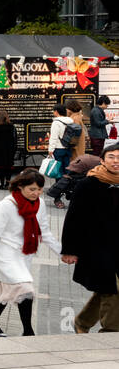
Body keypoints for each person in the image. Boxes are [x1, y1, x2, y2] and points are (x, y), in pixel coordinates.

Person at [0, 169, 64, 337]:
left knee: (9, 289)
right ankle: (28, 332)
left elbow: (44, 232)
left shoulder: (39, 204)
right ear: (20, 186)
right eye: (32, 189)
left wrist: (63, 253)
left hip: (25, 254)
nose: (37, 193)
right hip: (5, 255)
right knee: (25, 289)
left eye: (40, 189)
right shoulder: (5, 205)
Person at [61, 141, 119, 333]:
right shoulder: (87, 184)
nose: (116, 161)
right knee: (111, 289)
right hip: (96, 247)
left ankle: (82, 322)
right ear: (101, 160)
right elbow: (73, 219)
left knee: (107, 288)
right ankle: (111, 332)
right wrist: (69, 250)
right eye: (111, 157)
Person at [0, 109, 18, 190]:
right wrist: (14, 149)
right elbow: (15, 139)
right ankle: (7, 184)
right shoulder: (11, 127)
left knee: (0, 168)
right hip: (9, 151)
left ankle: (1, 183)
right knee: (8, 167)